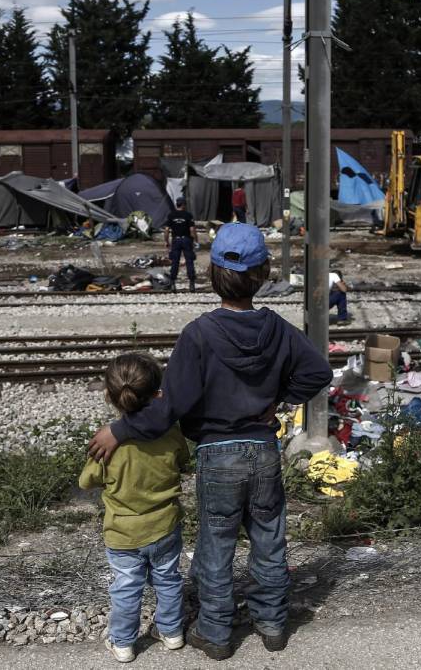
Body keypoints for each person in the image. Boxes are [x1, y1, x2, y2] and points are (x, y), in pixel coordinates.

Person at [87, 223, 333, 661]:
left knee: (216, 546)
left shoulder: (198, 335)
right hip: (262, 452)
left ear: (212, 274)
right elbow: (318, 372)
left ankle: (216, 633)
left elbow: (170, 407)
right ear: (262, 274)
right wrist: (277, 399)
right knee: (269, 539)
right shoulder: (277, 329)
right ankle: (273, 623)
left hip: (216, 457)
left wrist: (119, 429)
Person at [79, 353, 191, 663]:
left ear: (108, 397)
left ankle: (124, 643)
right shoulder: (171, 432)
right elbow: (183, 461)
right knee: (168, 579)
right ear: (158, 393)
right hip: (166, 525)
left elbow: (87, 481)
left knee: (127, 588)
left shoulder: (107, 443)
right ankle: (171, 633)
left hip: (123, 533)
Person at [165, 197, 197, 292]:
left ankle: (173, 283)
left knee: (175, 262)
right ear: (183, 205)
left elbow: (166, 230)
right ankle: (191, 284)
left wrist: (166, 241)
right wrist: (196, 241)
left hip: (176, 240)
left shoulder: (171, 215)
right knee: (189, 261)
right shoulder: (188, 215)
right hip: (186, 240)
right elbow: (192, 229)